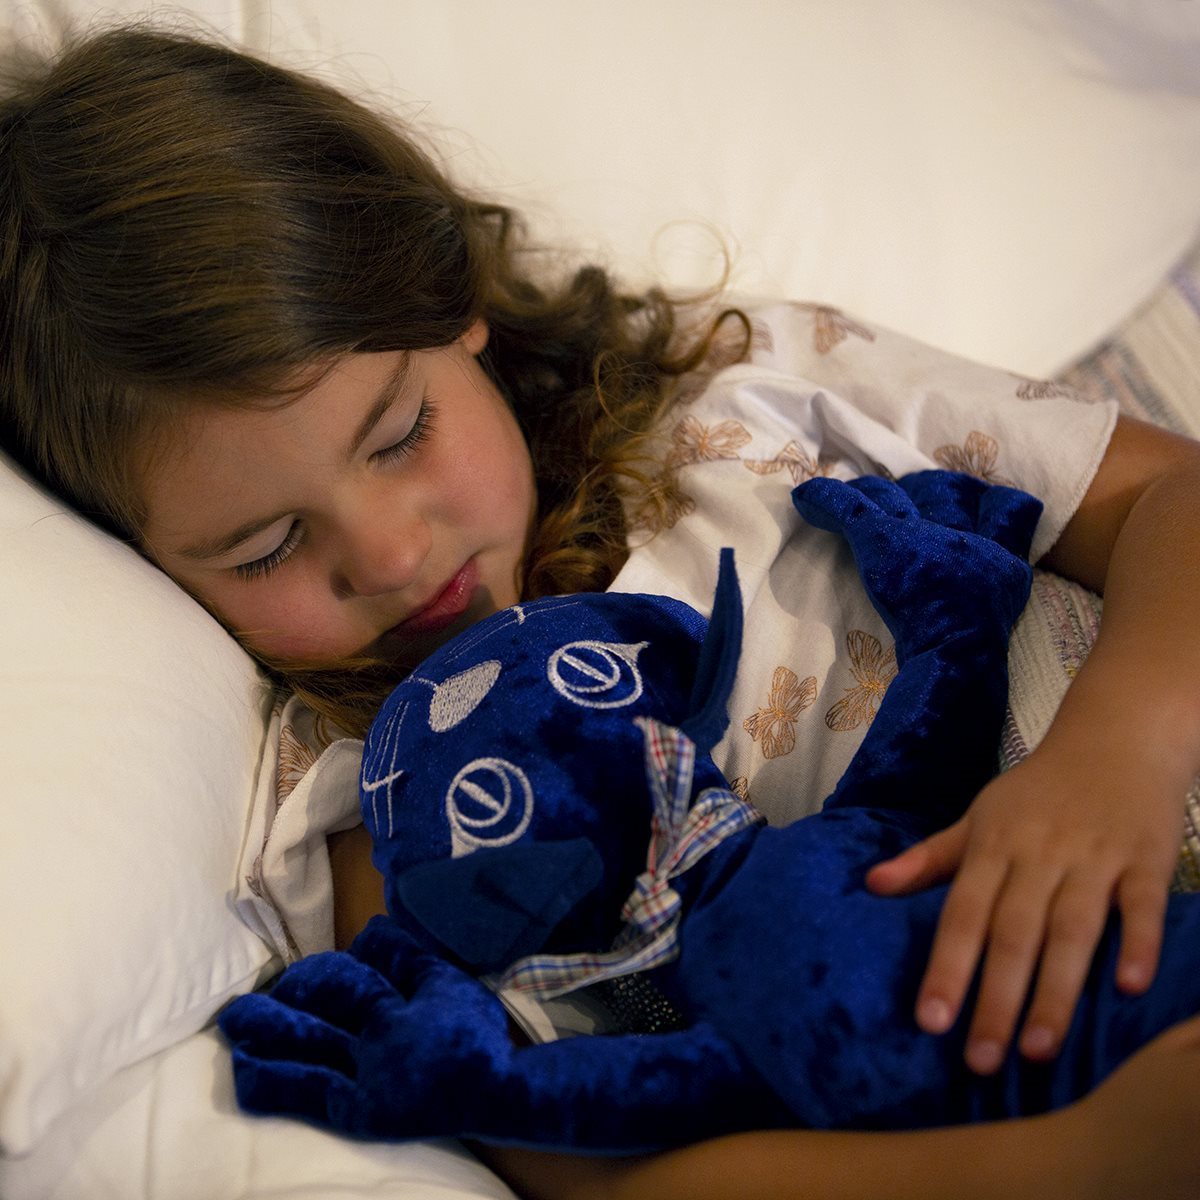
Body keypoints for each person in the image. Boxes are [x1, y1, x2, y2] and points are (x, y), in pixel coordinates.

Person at [2, 23, 1199, 1200]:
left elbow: (1170, 494)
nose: (392, 552)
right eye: (266, 547)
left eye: (401, 433)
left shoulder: (753, 399)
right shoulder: (371, 806)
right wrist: (1067, 1167)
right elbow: (590, 1161)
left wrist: (1119, 754)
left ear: (452, 298)